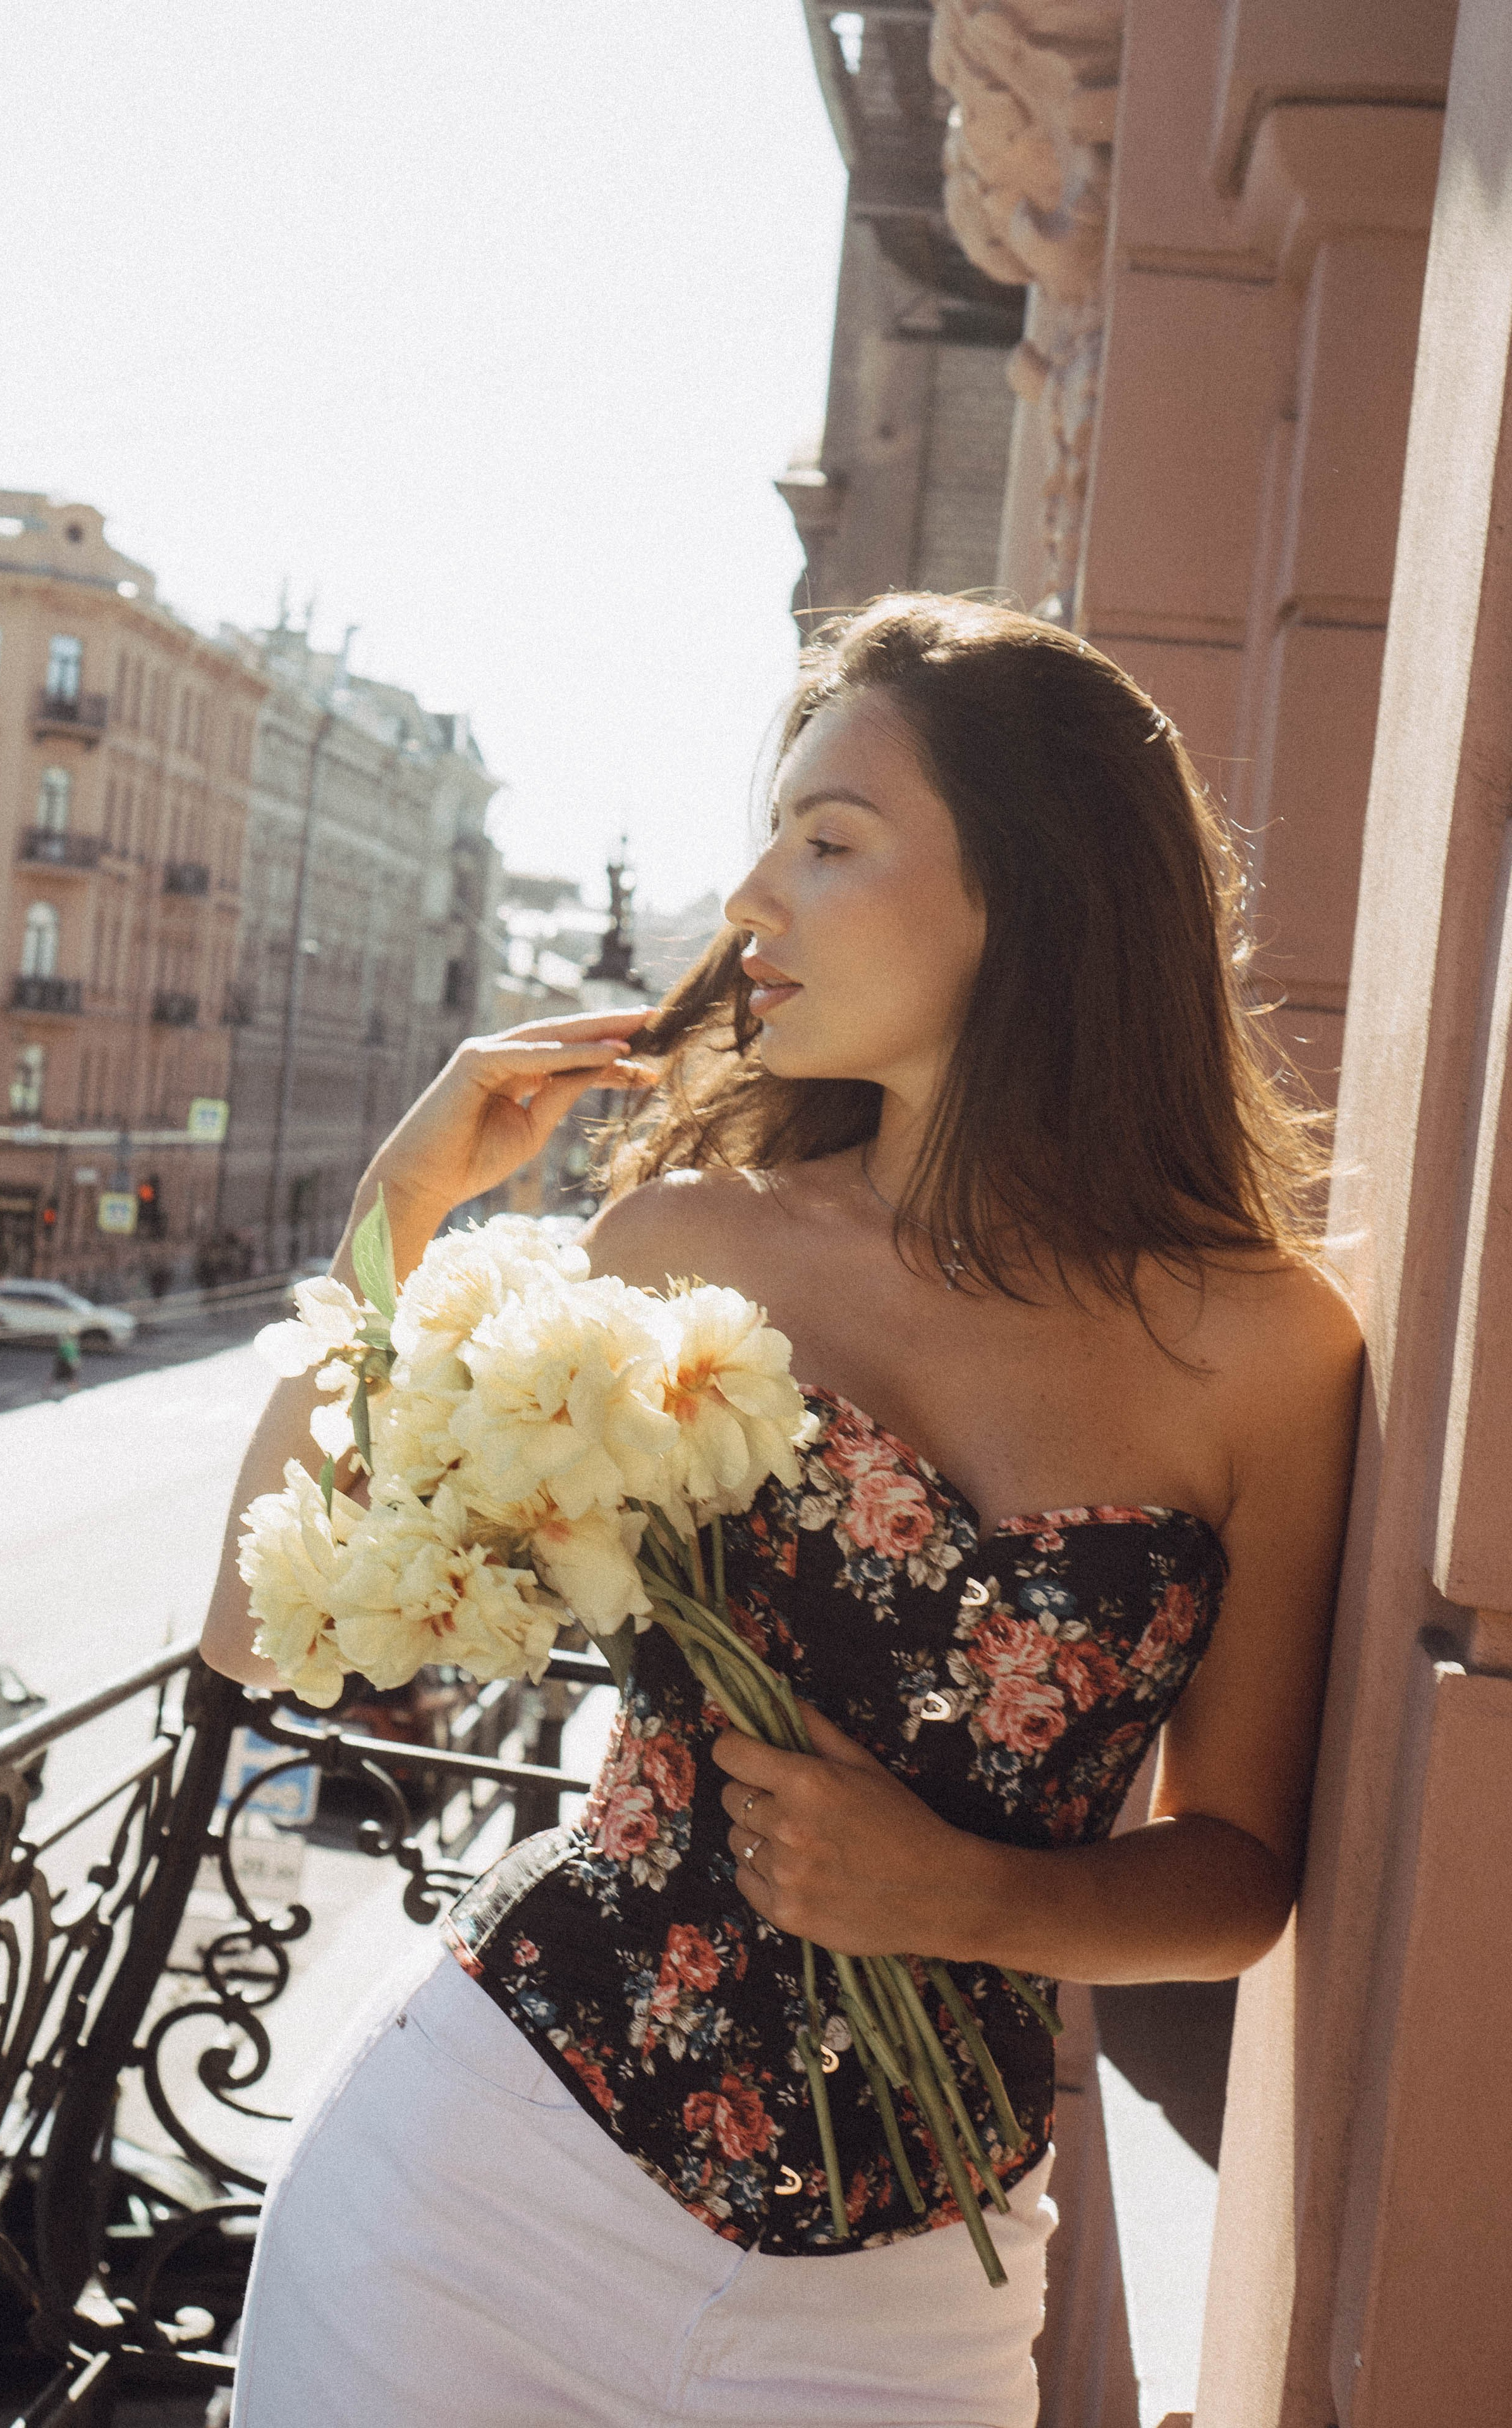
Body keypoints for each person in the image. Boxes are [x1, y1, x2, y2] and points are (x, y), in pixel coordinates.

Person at [203, 598, 1362, 2428]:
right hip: (486, 2183)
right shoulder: (683, 1250)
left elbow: (1238, 1879)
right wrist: (400, 1204)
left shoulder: (1277, 1355)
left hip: (905, 2304)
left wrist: (978, 1898)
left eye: (830, 842)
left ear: (1034, 898)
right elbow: (264, 1634)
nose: (751, 899)